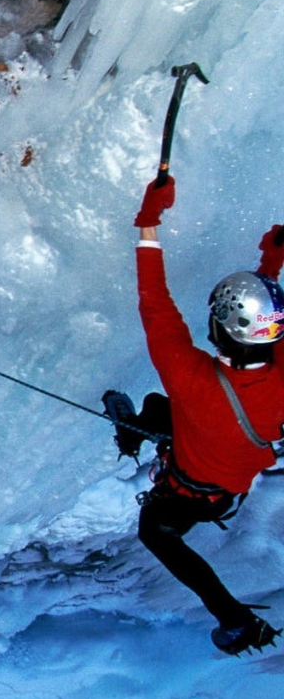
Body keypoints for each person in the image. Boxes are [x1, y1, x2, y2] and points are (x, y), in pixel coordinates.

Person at [121, 176, 284, 655]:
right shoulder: (198, 376)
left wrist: (149, 220)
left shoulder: (189, 376)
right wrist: (269, 268)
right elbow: (155, 305)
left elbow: (156, 299)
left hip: (190, 485)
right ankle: (232, 618)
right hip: (219, 486)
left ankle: (234, 616)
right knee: (159, 409)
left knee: (155, 529)